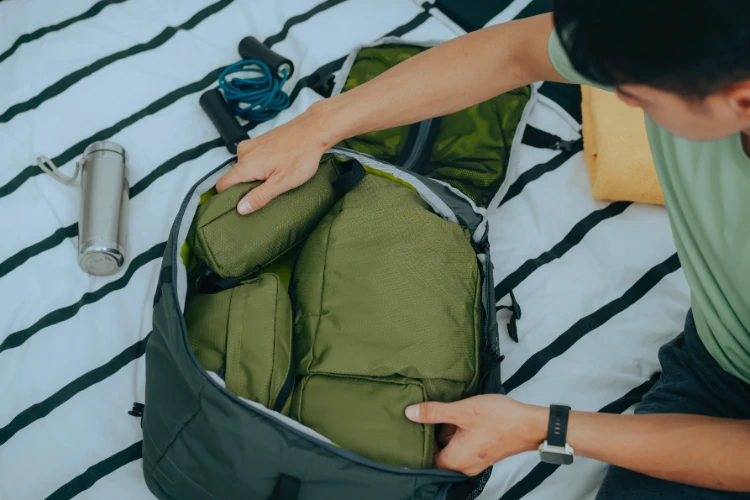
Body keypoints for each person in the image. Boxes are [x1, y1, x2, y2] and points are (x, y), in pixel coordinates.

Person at [216, 0, 750, 497]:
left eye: (637, 95)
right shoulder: (673, 28)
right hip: (716, 358)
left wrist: (546, 428)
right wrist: (317, 127)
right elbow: (513, 53)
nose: (618, 98)